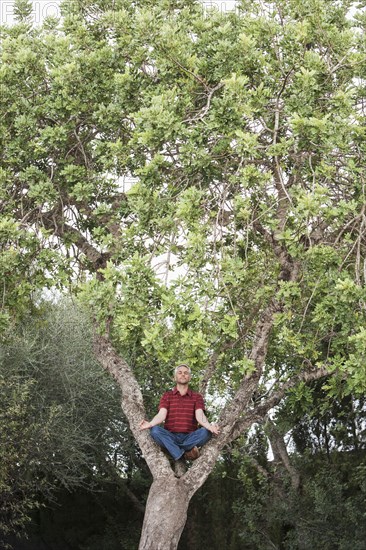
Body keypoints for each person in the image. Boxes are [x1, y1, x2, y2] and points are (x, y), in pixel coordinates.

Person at [139, 363, 220, 461]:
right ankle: (183, 452)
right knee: (155, 430)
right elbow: (161, 415)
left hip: (190, 436)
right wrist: (150, 424)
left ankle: (173, 449)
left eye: (186, 373)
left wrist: (209, 426)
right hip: (171, 435)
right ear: (175, 377)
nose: (183, 375)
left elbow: (200, 416)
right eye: (180, 373)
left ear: (189, 377)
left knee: (206, 432)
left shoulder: (196, 397)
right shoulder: (167, 396)